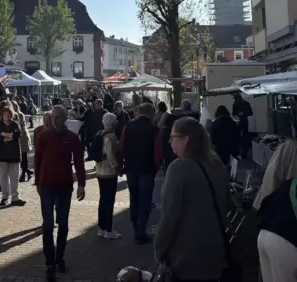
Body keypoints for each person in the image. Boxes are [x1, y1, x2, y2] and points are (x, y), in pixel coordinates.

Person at [155, 117, 229, 282]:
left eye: (173, 137)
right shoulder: (217, 165)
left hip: (187, 258)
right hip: (216, 254)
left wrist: (159, 248)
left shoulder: (179, 167)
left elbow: (169, 216)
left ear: (185, 140)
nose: (170, 142)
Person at [35, 105, 86, 281]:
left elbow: (79, 161)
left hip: (65, 185)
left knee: (63, 225)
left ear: (65, 118)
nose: (55, 120)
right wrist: (37, 182)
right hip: (47, 185)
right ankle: (50, 263)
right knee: (48, 225)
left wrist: (81, 184)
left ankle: (59, 258)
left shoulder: (71, 138)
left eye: (58, 117)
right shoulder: (44, 136)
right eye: (53, 117)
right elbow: (38, 159)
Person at [120, 102, 162, 244]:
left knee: (134, 200)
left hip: (131, 168)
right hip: (147, 169)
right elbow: (157, 152)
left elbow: (122, 146)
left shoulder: (129, 126)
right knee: (145, 201)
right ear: (151, 112)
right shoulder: (154, 129)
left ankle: (135, 228)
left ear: (139, 112)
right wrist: (156, 168)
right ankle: (140, 231)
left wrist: (121, 165)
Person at [96, 112, 122, 239]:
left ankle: (101, 227)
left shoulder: (99, 133)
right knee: (109, 201)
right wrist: (117, 168)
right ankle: (108, 229)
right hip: (109, 173)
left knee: (102, 200)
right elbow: (111, 155)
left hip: (99, 171)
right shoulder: (111, 137)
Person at [0, 106, 24, 206]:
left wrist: (4, 135)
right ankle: (4, 197)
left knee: (14, 178)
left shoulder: (15, 124)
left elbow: (17, 134)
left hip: (14, 155)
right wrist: (10, 135)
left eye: (9, 114)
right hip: (1, 156)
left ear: (11, 115)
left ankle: (15, 197)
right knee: (4, 178)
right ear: (2, 115)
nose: (7, 116)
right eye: (5, 114)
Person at [232, 93, 253, 158]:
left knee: (245, 138)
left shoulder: (246, 104)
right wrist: (237, 115)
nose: (236, 101)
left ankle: (244, 152)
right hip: (238, 123)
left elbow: (251, 113)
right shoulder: (235, 104)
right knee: (238, 138)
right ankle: (239, 152)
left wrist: (244, 113)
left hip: (245, 122)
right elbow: (233, 113)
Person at [16, 103, 34, 183]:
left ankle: (23, 173)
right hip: (21, 136)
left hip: (22, 137)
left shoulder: (19, 114)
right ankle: (27, 171)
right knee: (22, 156)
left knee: (23, 156)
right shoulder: (17, 114)